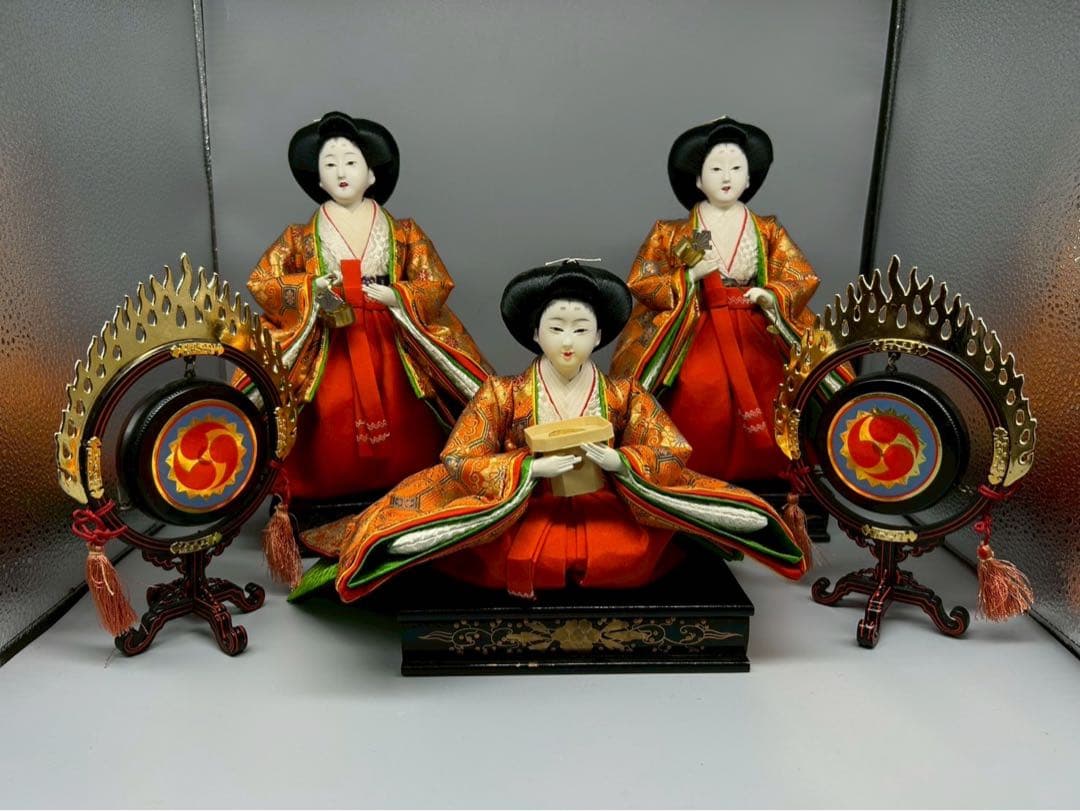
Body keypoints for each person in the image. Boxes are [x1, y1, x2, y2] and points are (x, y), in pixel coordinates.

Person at [291, 261, 806, 603]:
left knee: (628, 557)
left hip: (606, 503)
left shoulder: (623, 394)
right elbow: (460, 458)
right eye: (556, 327)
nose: (567, 340)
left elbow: (670, 449)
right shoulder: (502, 393)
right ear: (534, 333)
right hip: (524, 507)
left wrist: (621, 463)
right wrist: (528, 468)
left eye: (581, 329)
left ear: (599, 336)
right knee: (484, 555)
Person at [234, 112, 492, 502]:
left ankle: (411, 487)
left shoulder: (403, 232)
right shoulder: (300, 237)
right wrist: (310, 288)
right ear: (318, 180)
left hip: (390, 335)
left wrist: (399, 295)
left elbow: (435, 281)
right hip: (332, 335)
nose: (341, 172)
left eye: (351, 162)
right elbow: (263, 280)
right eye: (330, 165)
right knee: (329, 417)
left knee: (406, 415)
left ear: (371, 174)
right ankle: (322, 491)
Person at [609, 117, 852, 482]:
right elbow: (643, 279)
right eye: (716, 169)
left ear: (749, 178)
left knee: (773, 385)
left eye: (736, 168)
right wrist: (688, 277)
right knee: (699, 389)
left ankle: (772, 471)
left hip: (755, 323)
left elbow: (800, 275)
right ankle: (687, 471)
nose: (727, 177)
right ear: (697, 180)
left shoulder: (767, 229)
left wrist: (771, 294)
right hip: (696, 325)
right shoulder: (670, 232)